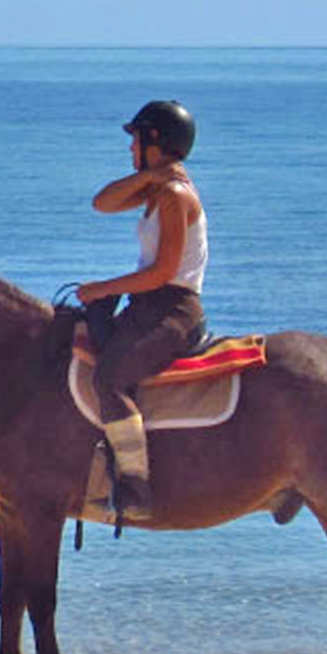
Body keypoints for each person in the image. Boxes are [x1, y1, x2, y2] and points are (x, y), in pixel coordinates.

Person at [71, 100, 207, 518]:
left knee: (110, 376)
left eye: (135, 141)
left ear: (154, 142)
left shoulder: (174, 195)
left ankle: (135, 485)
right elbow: (103, 203)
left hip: (173, 308)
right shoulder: (156, 189)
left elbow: (163, 271)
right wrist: (149, 174)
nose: (130, 149)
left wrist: (102, 288)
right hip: (149, 304)